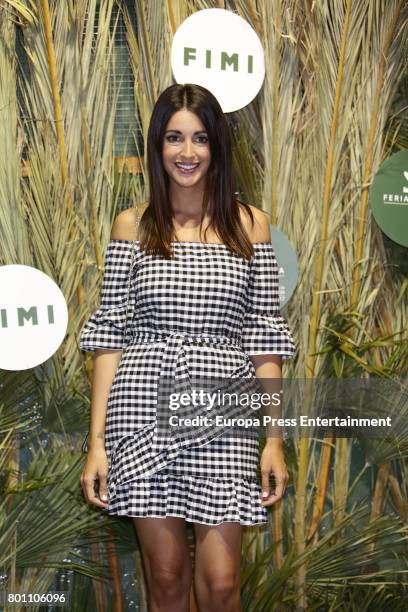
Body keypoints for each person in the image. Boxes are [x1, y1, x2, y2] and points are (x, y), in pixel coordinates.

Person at [79, 83, 296, 612]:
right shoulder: (133, 226)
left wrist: (273, 439)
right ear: (157, 146)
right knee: (168, 578)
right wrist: (97, 443)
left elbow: (264, 336)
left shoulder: (251, 226)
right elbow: (110, 338)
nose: (187, 151)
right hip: (141, 410)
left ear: (216, 146)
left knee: (222, 584)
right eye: (174, 138)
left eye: (200, 138)